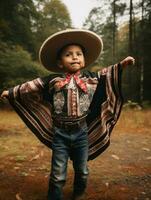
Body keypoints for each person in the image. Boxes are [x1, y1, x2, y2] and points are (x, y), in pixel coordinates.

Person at [0, 29, 135, 200]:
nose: (74, 57)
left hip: (82, 133)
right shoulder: (53, 80)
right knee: (57, 174)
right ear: (60, 62)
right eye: (68, 54)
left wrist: (122, 65)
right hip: (60, 135)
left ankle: (78, 193)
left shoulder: (91, 79)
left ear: (84, 60)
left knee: (82, 170)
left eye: (78, 54)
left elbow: (107, 73)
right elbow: (32, 85)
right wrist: (11, 92)